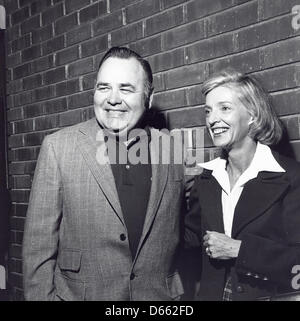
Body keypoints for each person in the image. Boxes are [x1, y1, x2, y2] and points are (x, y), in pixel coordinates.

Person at [22, 46, 190, 301]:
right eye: (103, 87)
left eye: (126, 88)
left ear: (149, 97)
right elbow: (38, 247)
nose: (112, 98)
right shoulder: (58, 147)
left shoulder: (173, 150)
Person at [185, 69, 300, 301]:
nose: (212, 119)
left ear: (253, 116)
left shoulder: (290, 177)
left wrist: (240, 250)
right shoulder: (207, 178)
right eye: (208, 111)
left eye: (224, 108)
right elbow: (187, 240)